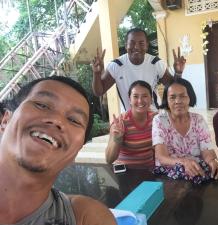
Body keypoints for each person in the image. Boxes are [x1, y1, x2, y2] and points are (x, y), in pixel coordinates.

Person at [0, 76, 116, 225]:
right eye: (41, 105)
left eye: (74, 120)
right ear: (5, 121)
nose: (57, 120)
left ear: (76, 151)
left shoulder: (85, 217)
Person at [92, 28, 186, 111]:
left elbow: (173, 88)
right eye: (132, 43)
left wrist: (178, 73)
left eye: (141, 43)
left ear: (147, 45)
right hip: (129, 119)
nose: (136, 47)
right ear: (126, 45)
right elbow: (99, 91)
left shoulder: (155, 63)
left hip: (152, 118)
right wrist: (96, 73)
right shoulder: (116, 65)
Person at [152, 78, 218, 184]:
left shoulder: (198, 120)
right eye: (172, 97)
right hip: (169, 177)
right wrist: (184, 162)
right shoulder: (160, 120)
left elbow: (207, 151)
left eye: (183, 96)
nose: (178, 101)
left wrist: (213, 162)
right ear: (166, 100)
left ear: (190, 98)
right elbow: (161, 157)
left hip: (197, 174)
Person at [105, 80, 156, 169]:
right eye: (135, 96)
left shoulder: (156, 119)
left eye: (145, 96)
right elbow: (109, 159)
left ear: (151, 99)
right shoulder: (120, 122)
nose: (140, 101)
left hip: (150, 172)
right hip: (126, 173)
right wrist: (117, 139)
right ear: (130, 100)